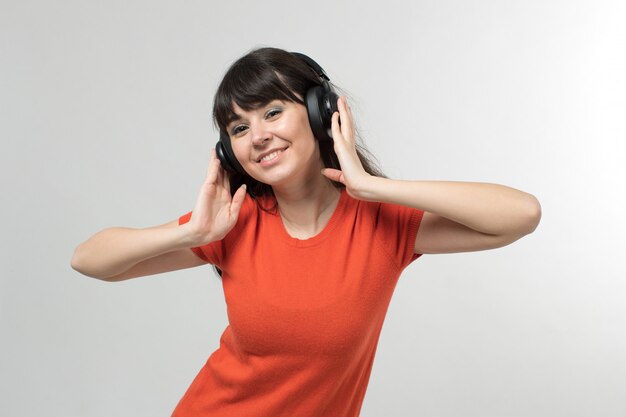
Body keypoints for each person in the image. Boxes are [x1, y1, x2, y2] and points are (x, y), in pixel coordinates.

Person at [71, 47, 541, 417]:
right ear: (230, 150)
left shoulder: (381, 223)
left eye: (272, 112)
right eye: (239, 127)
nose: (257, 136)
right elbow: (89, 261)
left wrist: (375, 187)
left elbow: (521, 214)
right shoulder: (234, 223)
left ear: (322, 114)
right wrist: (187, 234)